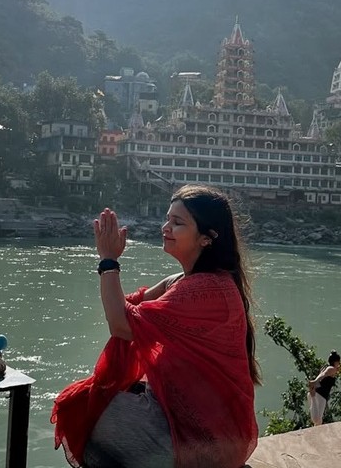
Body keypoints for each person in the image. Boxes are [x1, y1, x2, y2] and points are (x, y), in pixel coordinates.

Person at [51, 185, 260, 468]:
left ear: (206, 239)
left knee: (77, 406)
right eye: (167, 219)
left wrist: (109, 261)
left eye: (178, 223)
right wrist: (110, 270)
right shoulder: (187, 281)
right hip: (212, 433)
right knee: (97, 403)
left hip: (206, 442)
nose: (165, 227)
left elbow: (121, 323)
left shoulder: (205, 289)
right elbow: (128, 308)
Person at [308, 351, 341, 426]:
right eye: (339, 362)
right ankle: (312, 396)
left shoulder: (329, 368)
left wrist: (314, 383)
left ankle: (316, 435)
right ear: (336, 362)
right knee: (316, 419)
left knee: (319, 421)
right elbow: (323, 374)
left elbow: (323, 374)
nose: (339, 364)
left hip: (316, 393)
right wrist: (315, 381)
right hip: (319, 395)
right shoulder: (331, 368)